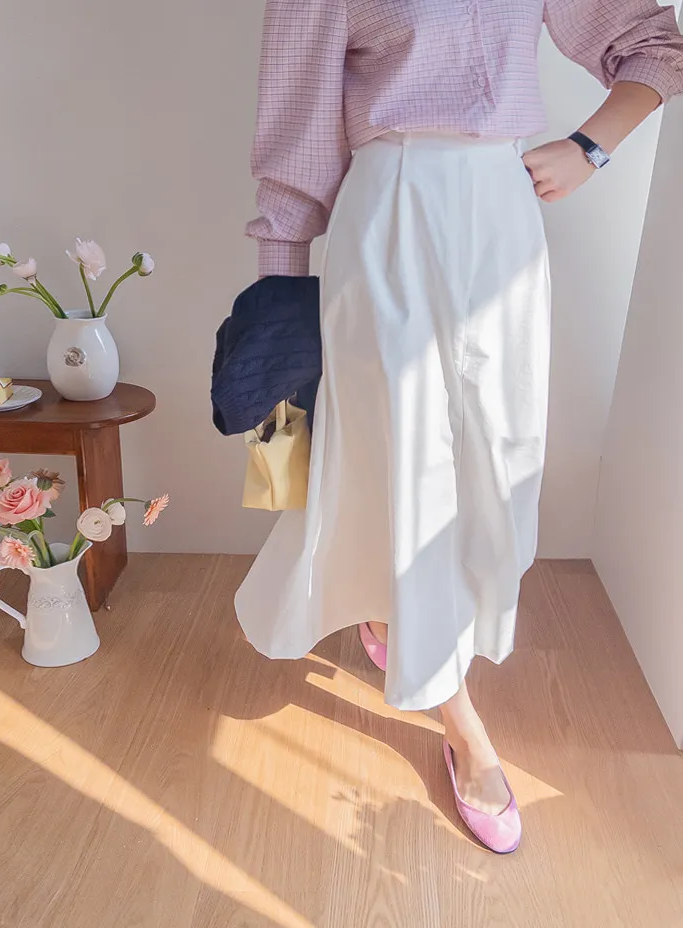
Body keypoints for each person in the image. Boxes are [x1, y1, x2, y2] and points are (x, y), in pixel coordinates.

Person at [234, 0, 683, 853]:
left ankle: (395, 616)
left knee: (498, 464)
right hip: (390, 210)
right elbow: (295, 141)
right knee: (411, 466)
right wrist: (278, 311)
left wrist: (591, 147)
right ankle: (461, 723)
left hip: (504, 216)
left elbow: (656, 47)